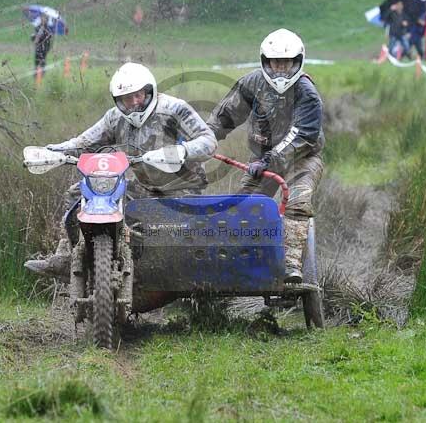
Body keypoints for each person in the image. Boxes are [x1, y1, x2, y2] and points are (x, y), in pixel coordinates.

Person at [25, 62, 217, 279]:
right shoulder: (114, 118)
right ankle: (74, 255)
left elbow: (208, 141)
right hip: (143, 186)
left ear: (149, 91)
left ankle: (183, 269)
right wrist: (55, 150)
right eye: (128, 98)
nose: (135, 102)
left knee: (172, 237)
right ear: (118, 101)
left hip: (182, 188)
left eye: (139, 95)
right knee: (78, 194)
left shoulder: (174, 109)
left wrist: (181, 151)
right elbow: (84, 142)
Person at [207, 28, 324, 284]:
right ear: (265, 61)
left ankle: (291, 265)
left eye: (286, 63)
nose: (281, 69)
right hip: (263, 162)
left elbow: (301, 136)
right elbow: (224, 117)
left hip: (302, 160)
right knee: (242, 206)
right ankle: (235, 260)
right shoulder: (251, 83)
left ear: (297, 62)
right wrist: (203, 140)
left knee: (297, 203)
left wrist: (268, 161)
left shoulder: (307, 94)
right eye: (275, 63)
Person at [32, 14, 53, 83]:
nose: (43, 19)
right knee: (36, 61)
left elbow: (48, 39)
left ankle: (42, 75)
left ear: (47, 20)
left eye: (45, 18)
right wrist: (34, 37)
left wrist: (41, 36)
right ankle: (35, 75)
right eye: (42, 18)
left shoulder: (48, 29)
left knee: (42, 61)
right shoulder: (38, 27)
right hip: (37, 48)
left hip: (44, 49)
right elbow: (34, 38)